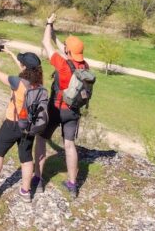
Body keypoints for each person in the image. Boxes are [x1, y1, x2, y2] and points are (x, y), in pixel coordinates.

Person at [34, 13, 88, 199]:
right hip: (73, 111)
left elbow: (46, 42)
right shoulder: (84, 66)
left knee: (41, 139)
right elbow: (62, 48)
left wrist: (48, 23)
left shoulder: (62, 65)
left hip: (56, 109)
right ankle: (72, 185)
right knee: (70, 145)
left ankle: (38, 180)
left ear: (67, 51)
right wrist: (54, 31)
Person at [0, 46, 44, 202]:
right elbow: (25, 71)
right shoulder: (39, 87)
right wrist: (10, 53)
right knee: (26, 158)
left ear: (24, 67)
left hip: (12, 124)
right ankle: (25, 191)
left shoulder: (17, 82)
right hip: (29, 128)